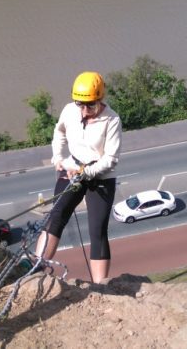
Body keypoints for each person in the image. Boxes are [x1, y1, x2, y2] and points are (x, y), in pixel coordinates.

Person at [33, 71, 122, 284]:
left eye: (90, 106)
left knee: (97, 229)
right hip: (73, 167)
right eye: (80, 104)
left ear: (100, 100)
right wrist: (58, 158)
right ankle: (37, 269)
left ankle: (102, 287)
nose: (84, 111)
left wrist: (85, 172)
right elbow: (59, 132)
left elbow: (110, 159)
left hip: (100, 176)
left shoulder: (112, 120)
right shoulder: (70, 111)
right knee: (56, 216)